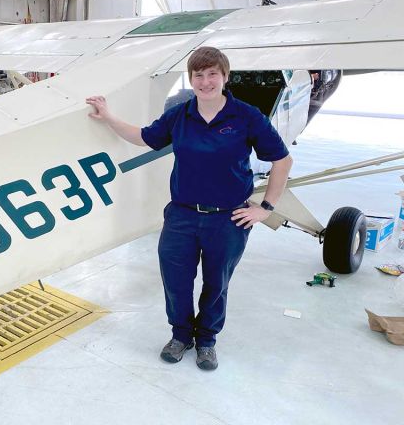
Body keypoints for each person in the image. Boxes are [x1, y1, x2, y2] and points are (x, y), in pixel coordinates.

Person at [86, 46, 293, 371]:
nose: (206, 81)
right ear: (191, 78)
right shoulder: (180, 114)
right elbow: (144, 137)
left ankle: (207, 341)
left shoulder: (246, 116)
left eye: (213, 74)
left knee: (216, 283)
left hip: (228, 220)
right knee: (176, 280)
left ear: (225, 76)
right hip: (182, 215)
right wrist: (108, 116)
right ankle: (181, 335)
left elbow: (282, 160)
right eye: (199, 75)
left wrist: (265, 208)